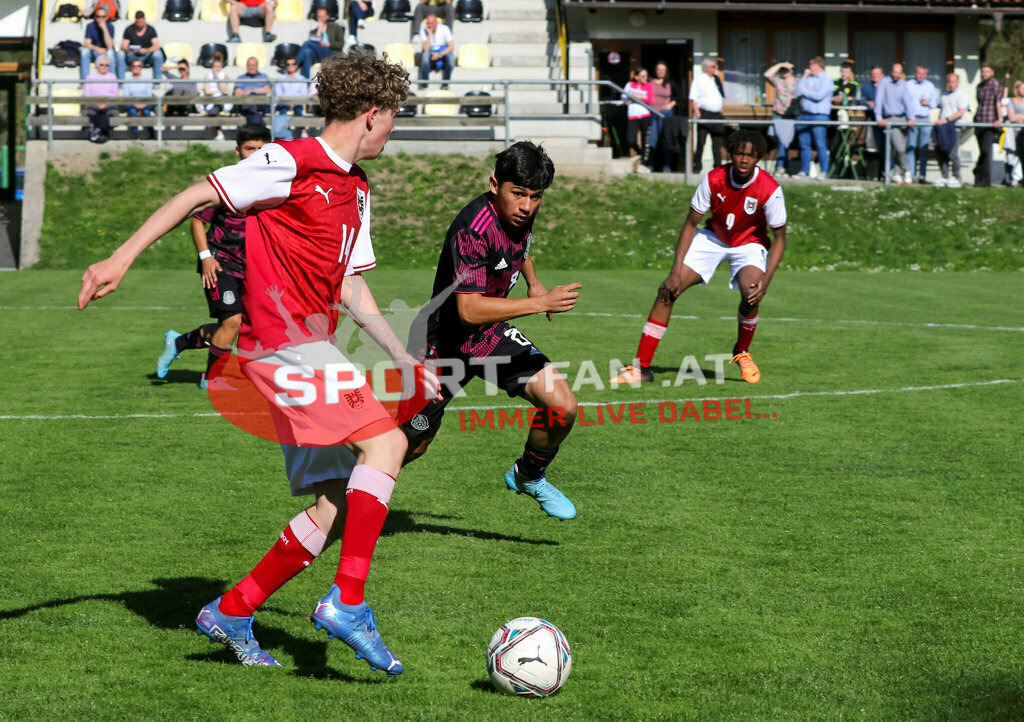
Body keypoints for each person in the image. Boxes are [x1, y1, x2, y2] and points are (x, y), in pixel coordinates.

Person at [79, 51, 425, 674]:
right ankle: (349, 603)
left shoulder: (356, 189)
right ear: (372, 115)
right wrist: (120, 258)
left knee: (334, 504)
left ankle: (233, 609)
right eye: (394, 118)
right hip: (285, 347)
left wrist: (402, 354)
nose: (393, 131)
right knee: (388, 447)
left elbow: (349, 286)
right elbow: (195, 195)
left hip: (306, 346)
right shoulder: (289, 161)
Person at [400, 141, 580, 521]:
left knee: (562, 407)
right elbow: (468, 310)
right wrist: (541, 303)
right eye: (519, 194)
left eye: (536, 197)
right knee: (411, 445)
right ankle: (349, 493)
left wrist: (533, 283)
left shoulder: (518, 213)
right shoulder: (472, 229)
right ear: (494, 184)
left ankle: (529, 475)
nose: (528, 206)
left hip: (488, 336)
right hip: (442, 343)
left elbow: (521, 247)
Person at [611, 130, 786, 386]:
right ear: (731, 153)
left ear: (758, 157)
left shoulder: (770, 189)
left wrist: (767, 278)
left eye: (751, 155)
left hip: (750, 243)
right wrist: (674, 271)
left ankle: (741, 352)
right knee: (667, 291)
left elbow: (779, 237)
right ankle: (641, 369)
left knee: (752, 291)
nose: (744, 160)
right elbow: (690, 224)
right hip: (713, 238)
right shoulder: (714, 179)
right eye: (739, 153)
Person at [156, 124, 271, 388]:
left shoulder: (274, 184)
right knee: (232, 321)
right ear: (238, 151)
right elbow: (197, 221)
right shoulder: (226, 181)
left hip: (253, 267)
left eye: (261, 149)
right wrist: (206, 257)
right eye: (249, 148)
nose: (254, 154)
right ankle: (212, 378)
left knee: (242, 328)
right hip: (220, 263)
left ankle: (179, 342)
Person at [873, 62, 914, 184]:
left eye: (899, 73)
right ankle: (907, 171)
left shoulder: (903, 84)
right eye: (895, 73)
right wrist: (878, 117)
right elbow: (879, 100)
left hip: (903, 119)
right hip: (890, 119)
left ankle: (897, 173)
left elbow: (907, 102)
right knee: (900, 148)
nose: (896, 76)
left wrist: (911, 117)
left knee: (901, 149)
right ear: (891, 72)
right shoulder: (884, 82)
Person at [794, 55, 832, 179]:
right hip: (804, 116)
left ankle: (823, 171)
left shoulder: (827, 80)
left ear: (817, 65)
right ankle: (804, 171)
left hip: (819, 116)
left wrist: (806, 92)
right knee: (804, 145)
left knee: (820, 144)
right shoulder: (808, 78)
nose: (809, 68)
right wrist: (804, 77)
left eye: (811, 65)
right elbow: (798, 92)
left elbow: (818, 96)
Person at [934, 72, 970, 188]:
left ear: (958, 82)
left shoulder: (962, 95)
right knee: (941, 151)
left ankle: (956, 177)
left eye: (953, 81)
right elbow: (942, 110)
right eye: (949, 81)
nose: (951, 84)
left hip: (955, 127)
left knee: (952, 152)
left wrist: (947, 119)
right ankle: (945, 176)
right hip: (943, 128)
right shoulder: (944, 95)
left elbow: (961, 112)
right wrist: (939, 121)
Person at [689, 58, 724, 173]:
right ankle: (697, 166)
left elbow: (720, 96)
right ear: (707, 67)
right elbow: (693, 98)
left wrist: (721, 110)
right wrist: (698, 114)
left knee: (717, 143)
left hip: (717, 115)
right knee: (701, 142)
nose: (716, 69)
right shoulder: (699, 80)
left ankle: (718, 168)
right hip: (705, 114)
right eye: (713, 66)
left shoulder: (716, 79)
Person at [905, 65, 939, 184]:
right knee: (911, 148)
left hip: (925, 120)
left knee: (924, 148)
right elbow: (905, 102)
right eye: (919, 73)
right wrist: (910, 117)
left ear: (926, 75)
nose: (921, 76)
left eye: (923, 74)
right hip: (913, 120)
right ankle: (911, 176)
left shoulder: (930, 86)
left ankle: (922, 176)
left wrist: (927, 103)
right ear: (915, 73)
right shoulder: (908, 85)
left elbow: (935, 104)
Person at [764, 60, 798, 176]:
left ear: (791, 71)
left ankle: (781, 166)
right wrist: (780, 65)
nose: (784, 72)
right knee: (778, 139)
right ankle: (782, 166)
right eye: (782, 70)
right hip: (778, 114)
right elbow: (767, 74)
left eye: (786, 70)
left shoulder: (797, 82)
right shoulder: (778, 80)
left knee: (786, 141)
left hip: (791, 115)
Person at [973, 62, 1004, 188]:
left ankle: (985, 180)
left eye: (986, 71)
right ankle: (979, 178)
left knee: (986, 151)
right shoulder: (979, 86)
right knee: (982, 152)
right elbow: (979, 104)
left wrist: (999, 118)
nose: (983, 73)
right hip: (979, 121)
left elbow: (998, 103)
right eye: (982, 71)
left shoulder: (996, 85)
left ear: (992, 72)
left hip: (990, 123)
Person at [648, 61, 682, 173]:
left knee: (667, 139)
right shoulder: (650, 82)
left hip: (666, 114)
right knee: (653, 139)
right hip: (653, 113)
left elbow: (679, 96)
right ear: (655, 70)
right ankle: (650, 165)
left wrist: (671, 105)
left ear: (666, 71)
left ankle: (666, 166)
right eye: (658, 69)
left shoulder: (670, 83)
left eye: (663, 69)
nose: (660, 72)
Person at [296, 6, 346, 79]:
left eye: (322, 16)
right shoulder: (313, 31)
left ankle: (295, 65)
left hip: (331, 52)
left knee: (307, 43)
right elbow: (314, 43)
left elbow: (341, 44)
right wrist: (319, 30)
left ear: (327, 16)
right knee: (307, 52)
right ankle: (305, 80)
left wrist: (328, 44)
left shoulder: (335, 27)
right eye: (319, 16)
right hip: (317, 54)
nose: (321, 18)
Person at [80, 5, 122, 80]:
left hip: (106, 52)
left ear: (106, 17)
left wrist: (104, 29)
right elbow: (86, 43)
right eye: (98, 16)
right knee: (84, 52)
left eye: (103, 16)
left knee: (110, 52)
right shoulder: (90, 26)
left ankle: (110, 80)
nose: (101, 19)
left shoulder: (110, 26)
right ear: (95, 17)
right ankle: (84, 81)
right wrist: (97, 49)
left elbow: (109, 45)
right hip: (94, 51)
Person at [120, 11, 164, 81]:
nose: (139, 25)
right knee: (120, 54)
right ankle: (120, 81)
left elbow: (156, 46)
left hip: (146, 56)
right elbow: (124, 46)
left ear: (144, 20)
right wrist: (130, 50)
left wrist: (146, 50)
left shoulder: (151, 30)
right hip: (132, 56)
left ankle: (157, 81)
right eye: (138, 23)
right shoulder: (129, 29)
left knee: (158, 54)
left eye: (141, 22)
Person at [624, 67, 653, 174]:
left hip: (645, 115)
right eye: (643, 76)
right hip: (633, 115)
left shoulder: (648, 86)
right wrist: (630, 98)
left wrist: (637, 98)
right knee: (630, 138)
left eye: (646, 76)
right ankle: (639, 152)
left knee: (646, 140)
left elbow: (649, 100)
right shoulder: (629, 85)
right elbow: (624, 97)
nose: (646, 78)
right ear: (636, 77)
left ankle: (644, 163)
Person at [273, 57, 309, 140]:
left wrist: (294, 101)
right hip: (284, 102)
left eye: (293, 64)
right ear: (285, 66)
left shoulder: (301, 79)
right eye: (288, 64)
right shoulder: (281, 78)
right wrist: (288, 101)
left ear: (296, 66)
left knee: (298, 109)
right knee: (283, 110)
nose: (290, 66)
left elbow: (303, 94)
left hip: (297, 102)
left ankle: (302, 130)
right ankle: (285, 133)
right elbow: (279, 93)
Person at [83, 56, 118, 143]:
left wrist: (105, 104)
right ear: (97, 65)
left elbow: (115, 94)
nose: (104, 67)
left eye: (107, 65)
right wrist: (97, 103)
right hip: (93, 102)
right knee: (92, 111)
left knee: (109, 111)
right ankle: (101, 132)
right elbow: (87, 94)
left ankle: (101, 132)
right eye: (102, 64)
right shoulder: (90, 77)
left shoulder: (112, 77)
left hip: (109, 103)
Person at [417, 13, 454, 90]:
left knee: (451, 58)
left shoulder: (445, 29)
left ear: (436, 23)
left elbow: (451, 47)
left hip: (442, 53)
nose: (429, 25)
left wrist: (439, 54)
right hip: (430, 54)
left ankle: (445, 84)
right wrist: (430, 34)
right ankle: (424, 83)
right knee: (425, 56)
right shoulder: (423, 31)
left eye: (431, 23)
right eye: (428, 23)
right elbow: (426, 49)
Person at [233, 56, 271, 125]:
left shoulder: (263, 76)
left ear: (257, 66)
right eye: (249, 65)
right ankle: (261, 126)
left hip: (258, 103)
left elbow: (266, 89)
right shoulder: (241, 77)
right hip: (245, 102)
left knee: (252, 97)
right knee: (254, 113)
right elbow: (237, 92)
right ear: (247, 66)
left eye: (253, 65)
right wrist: (246, 93)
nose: (251, 67)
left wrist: (251, 91)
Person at [203, 53, 233, 140]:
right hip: (211, 99)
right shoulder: (208, 76)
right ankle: (219, 133)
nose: (217, 68)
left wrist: (217, 78)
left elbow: (223, 89)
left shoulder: (224, 76)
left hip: (221, 99)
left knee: (216, 108)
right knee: (214, 109)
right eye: (215, 66)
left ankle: (219, 133)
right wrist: (218, 91)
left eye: (219, 66)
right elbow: (207, 91)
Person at [123, 58, 155, 139]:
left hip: (146, 103)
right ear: (131, 67)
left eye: (138, 66)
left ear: (141, 67)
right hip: (132, 103)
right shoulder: (127, 79)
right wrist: (135, 104)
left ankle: (151, 133)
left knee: (146, 111)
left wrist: (143, 104)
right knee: (133, 111)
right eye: (134, 66)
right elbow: (127, 95)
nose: (136, 68)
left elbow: (149, 94)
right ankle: (135, 134)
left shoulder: (146, 79)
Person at [1002, 79, 1024, 186]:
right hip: (1012, 132)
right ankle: (1008, 179)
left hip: (1022, 132)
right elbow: (1011, 117)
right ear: (1017, 89)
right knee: (1010, 154)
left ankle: (1021, 179)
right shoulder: (1011, 101)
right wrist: (1020, 117)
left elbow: (1015, 116)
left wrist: (1018, 117)